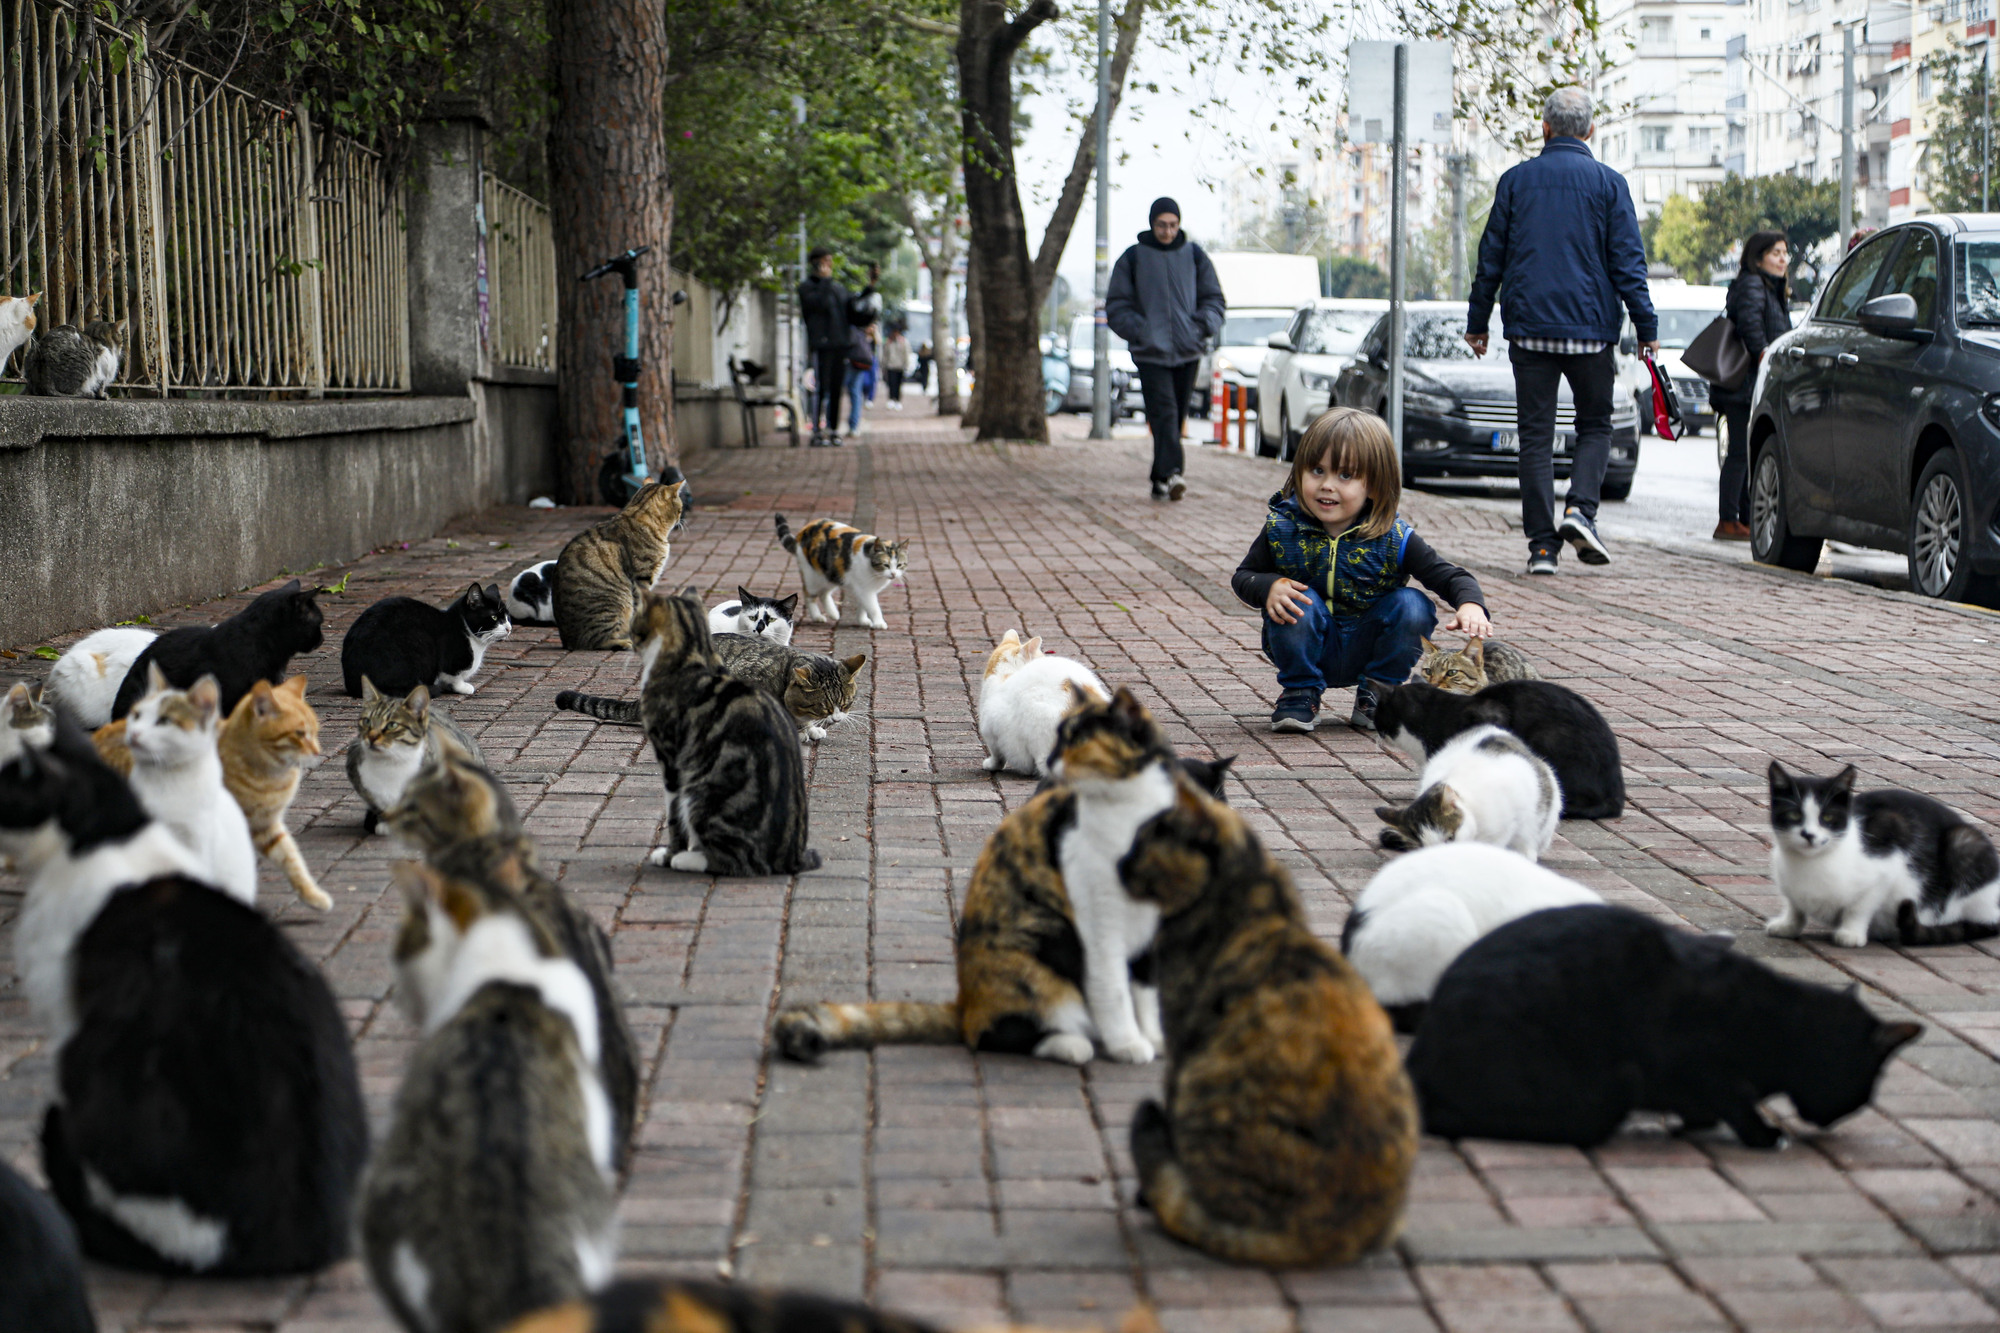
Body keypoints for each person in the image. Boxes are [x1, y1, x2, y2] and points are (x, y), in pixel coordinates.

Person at [1466, 87, 1658, 576]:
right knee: (1595, 426)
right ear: (1591, 131)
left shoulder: (1515, 181)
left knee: (1534, 436)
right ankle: (1580, 511)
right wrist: (1646, 325)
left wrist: (1477, 322)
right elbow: (1628, 263)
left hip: (1530, 332)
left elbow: (1491, 257)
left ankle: (1542, 550)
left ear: (1544, 128)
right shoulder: (1610, 184)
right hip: (1592, 331)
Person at [1232, 408, 1490, 734]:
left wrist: (1471, 604)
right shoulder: (1282, 528)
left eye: (1345, 476)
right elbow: (1243, 576)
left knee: (1412, 604)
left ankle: (1378, 695)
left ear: (1375, 485)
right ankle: (1300, 693)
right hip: (1306, 644)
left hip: (1369, 643)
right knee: (1296, 595)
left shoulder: (1394, 538)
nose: (1327, 485)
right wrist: (1268, 586)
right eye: (1317, 470)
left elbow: (1451, 576)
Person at [1107, 197, 1226, 502]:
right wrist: (1141, 330)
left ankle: (1159, 478)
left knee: (1172, 417)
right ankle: (1174, 473)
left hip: (1188, 350)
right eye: (1162, 225)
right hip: (1151, 352)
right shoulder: (1133, 258)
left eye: (1173, 225)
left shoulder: (1195, 256)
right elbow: (1117, 306)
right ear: (1152, 224)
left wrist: (1201, 326)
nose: (1167, 231)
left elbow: (1214, 299)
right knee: (1165, 412)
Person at [1710, 231, 1792, 541]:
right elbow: (1751, 327)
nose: (1782, 259)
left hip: (1753, 383)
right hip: (1743, 383)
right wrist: (1766, 357)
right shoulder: (1753, 285)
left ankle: (1743, 518)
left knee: (1748, 452)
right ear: (1758, 259)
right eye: (1775, 253)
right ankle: (1728, 519)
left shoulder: (1771, 288)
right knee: (1740, 454)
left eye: (1785, 253)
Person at [797, 247, 862, 446]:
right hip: (821, 345)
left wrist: (869, 290)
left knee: (836, 389)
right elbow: (819, 304)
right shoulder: (807, 287)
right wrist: (824, 280)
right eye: (825, 260)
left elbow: (852, 313)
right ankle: (817, 430)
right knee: (820, 388)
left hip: (840, 344)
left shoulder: (837, 288)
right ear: (816, 262)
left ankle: (833, 429)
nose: (829, 265)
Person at [882, 326, 911, 408]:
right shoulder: (889, 342)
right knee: (891, 383)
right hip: (890, 366)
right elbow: (885, 354)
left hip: (900, 366)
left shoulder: (903, 341)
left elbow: (906, 354)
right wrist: (883, 365)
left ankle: (897, 400)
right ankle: (891, 399)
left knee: (898, 384)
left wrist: (906, 365)